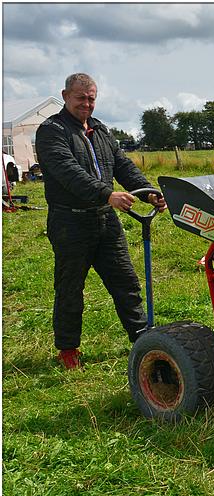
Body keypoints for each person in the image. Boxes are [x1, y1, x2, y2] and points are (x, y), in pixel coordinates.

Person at [36, 73, 166, 369]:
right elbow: (67, 171)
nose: (87, 104)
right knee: (70, 287)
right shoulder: (51, 131)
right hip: (70, 223)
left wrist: (148, 193)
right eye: (81, 98)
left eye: (92, 98)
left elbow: (122, 165)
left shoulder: (100, 129)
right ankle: (68, 350)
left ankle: (142, 339)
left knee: (126, 283)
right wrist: (107, 194)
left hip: (105, 221)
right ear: (65, 95)